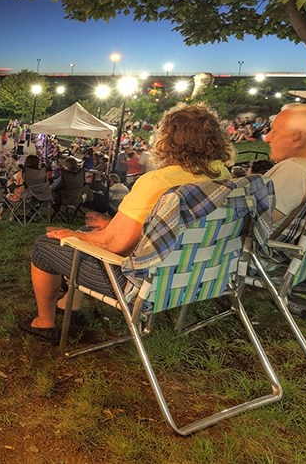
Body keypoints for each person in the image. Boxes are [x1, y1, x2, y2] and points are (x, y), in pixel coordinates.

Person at [20, 104, 234, 343]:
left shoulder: (158, 181)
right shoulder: (222, 175)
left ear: (168, 140)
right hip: (192, 273)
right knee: (88, 230)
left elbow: (112, 244)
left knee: (43, 246)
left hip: (139, 282)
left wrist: (71, 235)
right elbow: (169, 226)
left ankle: (44, 322)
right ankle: (73, 302)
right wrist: (111, 224)